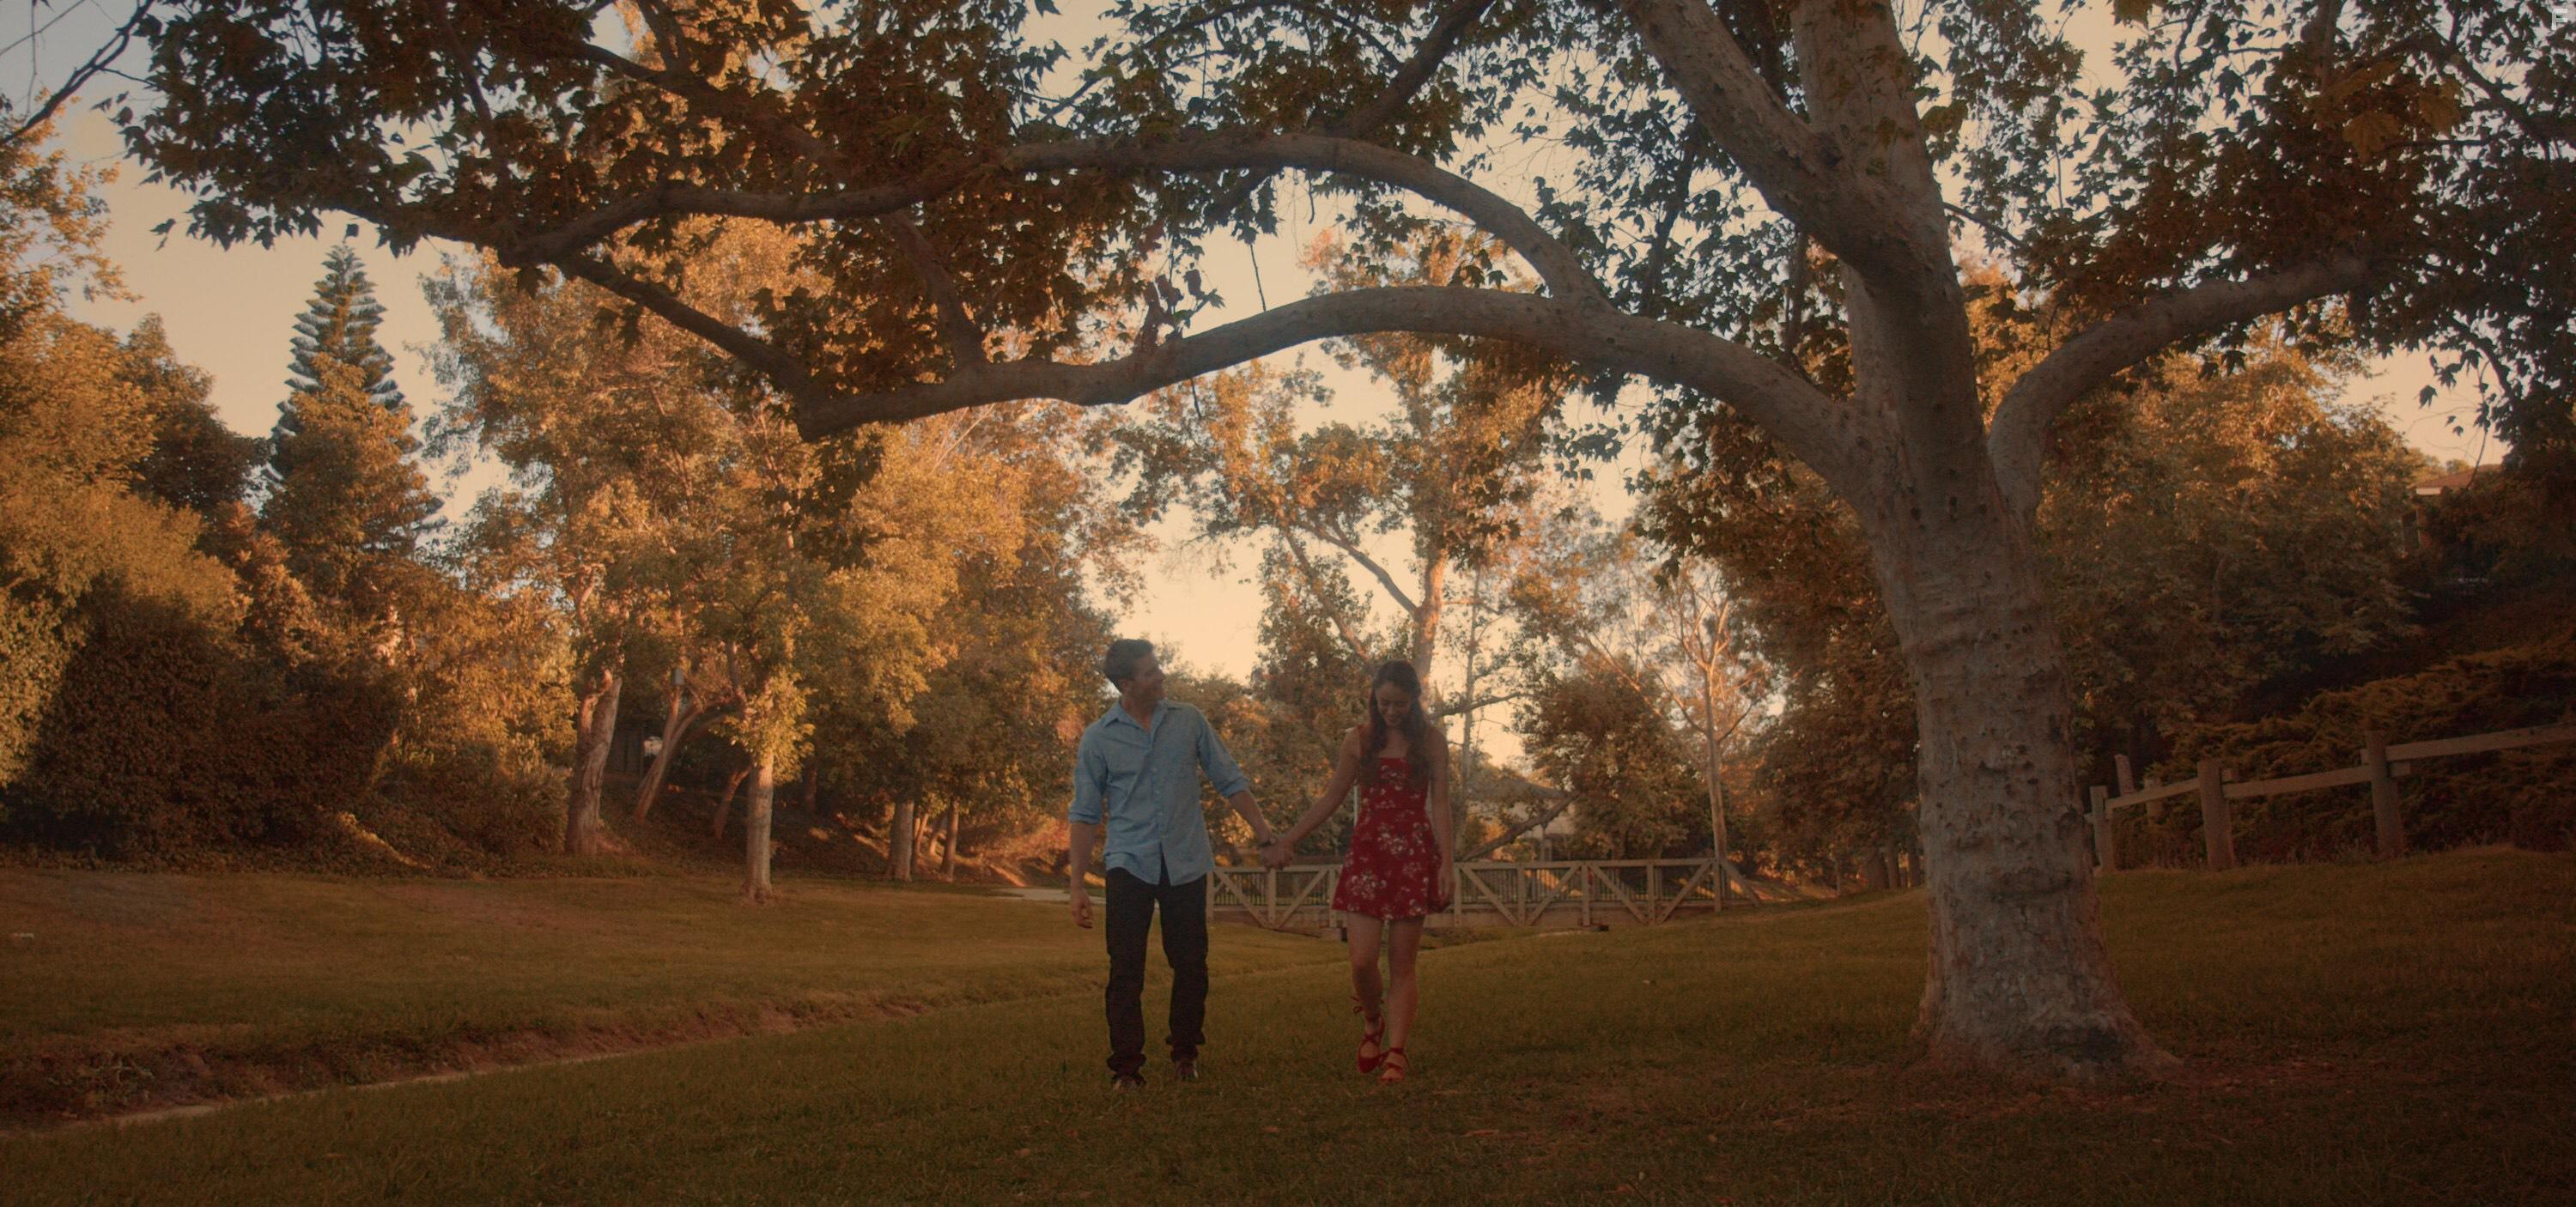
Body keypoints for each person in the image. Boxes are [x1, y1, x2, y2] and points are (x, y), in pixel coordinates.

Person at [1067, 638, 1278, 1089]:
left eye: (1157, 666)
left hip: (1185, 859)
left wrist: (1264, 833)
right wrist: (1076, 885)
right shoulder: (1099, 737)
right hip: (1129, 861)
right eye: (1150, 671)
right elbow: (1084, 812)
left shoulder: (1189, 722)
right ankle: (1126, 1068)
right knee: (1125, 967)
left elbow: (1229, 778)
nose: (1161, 674)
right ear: (1127, 684)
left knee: (1191, 963)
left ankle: (1185, 1051)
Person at [1264, 661, 1454, 1083]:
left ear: (1415, 701)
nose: (1391, 711)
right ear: (1374, 697)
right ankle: (1372, 1022)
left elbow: (1440, 805)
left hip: (1412, 856)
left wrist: (1447, 863)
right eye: (1384, 702)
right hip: (1368, 854)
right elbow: (1332, 796)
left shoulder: (1433, 742)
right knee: (1362, 960)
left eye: (1400, 704)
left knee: (1403, 964)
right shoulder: (1358, 740)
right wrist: (1289, 838)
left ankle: (1397, 1054)